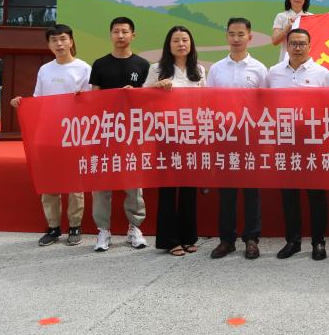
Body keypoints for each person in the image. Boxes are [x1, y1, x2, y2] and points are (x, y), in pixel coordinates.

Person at [9, 24, 89, 248]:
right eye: (54, 40)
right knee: (49, 180)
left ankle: (75, 226)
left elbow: (92, 101)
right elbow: (38, 100)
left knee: (74, 182)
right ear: (49, 45)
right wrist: (21, 103)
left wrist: (83, 98)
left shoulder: (84, 68)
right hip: (48, 132)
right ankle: (53, 227)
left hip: (73, 132)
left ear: (71, 41)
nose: (59, 44)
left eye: (63, 39)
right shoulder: (44, 69)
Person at [266, 28, 329, 260]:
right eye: (293, 43)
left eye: (302, 43)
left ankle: (318, 241)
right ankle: (293, 241)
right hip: (284, 140)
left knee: (316, 194)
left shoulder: (323, 73)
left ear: (310, 46)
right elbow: (267, 104)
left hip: (313, 141)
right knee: (289, 194)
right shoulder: (273, 72)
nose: (297, 47)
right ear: (286, 46)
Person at [207, 17, 268, 260]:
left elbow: (266, 105)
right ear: (226, 36)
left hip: (250, 137)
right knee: (227, 192)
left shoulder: (259, 69)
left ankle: (252, 239)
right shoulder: (216, 69)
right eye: (232, 34)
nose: (236, 39)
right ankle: (227, 240)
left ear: (250, 37)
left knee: (252, 191)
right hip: (224, 136)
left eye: (241, 34)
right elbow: (209, 103)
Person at [89, 16, 151, 252]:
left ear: (133, 35)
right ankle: (103, 230)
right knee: (101, 182)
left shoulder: (143, 65)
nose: (120, 36)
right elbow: (94, 99)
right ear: (110, 35)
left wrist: (135, 95)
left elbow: (149, 100)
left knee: (133, 181)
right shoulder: (99, 64)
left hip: (132, 132)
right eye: (116, 31)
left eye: (125, 31)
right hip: (105, 131)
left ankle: (134, 227)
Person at [143, 25, 205, 256]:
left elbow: (205, 100)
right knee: (168, 188)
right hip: (166, 135)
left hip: (192, 134)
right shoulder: (157, 69)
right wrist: (156, 86)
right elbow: (142, 97)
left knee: (189, 188)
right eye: (176, 40)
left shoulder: (198, 70)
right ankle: (170, 240)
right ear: (168, 45)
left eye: (185, 40)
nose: (181, 44)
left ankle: (189, 237)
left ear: (191, 44)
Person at [272, 0, 312, 65]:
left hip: (306, 62)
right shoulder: (282, 16)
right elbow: (275, 41)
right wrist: (287, 28)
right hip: (286, 60)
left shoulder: (311, 17)